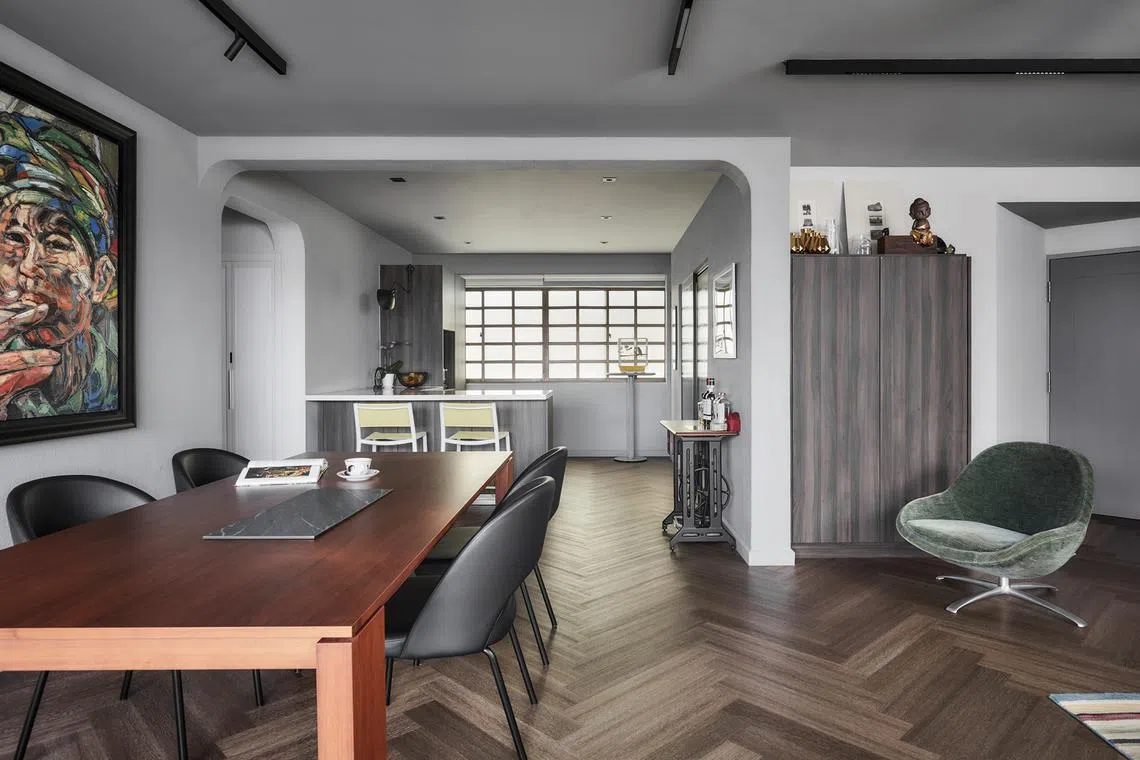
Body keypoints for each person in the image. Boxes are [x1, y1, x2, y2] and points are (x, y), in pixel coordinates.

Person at [0, 112, 119, 419]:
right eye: (14, 238)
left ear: (101, 279)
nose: (27, 268)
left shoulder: (114, 378)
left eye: (56, 242)